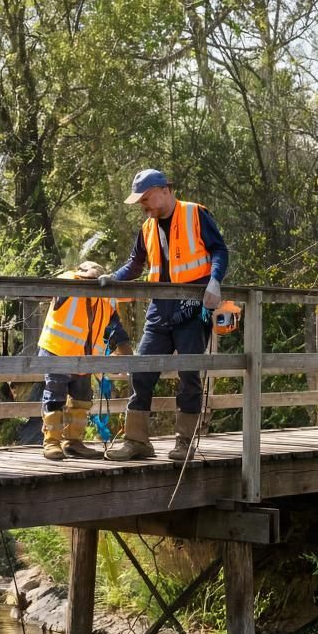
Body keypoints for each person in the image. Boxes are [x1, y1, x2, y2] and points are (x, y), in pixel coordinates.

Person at [99, 169, 228, 462]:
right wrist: (113, 279)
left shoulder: (196, 214)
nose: (143, 206)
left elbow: (219, 251)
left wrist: (215, 281)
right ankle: (137, 441)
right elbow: (135, 264)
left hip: (194, 308)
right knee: (142, 371)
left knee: (189, 375)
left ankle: (184, 442)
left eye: (145, 198)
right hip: (160, 309)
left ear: (164, 190)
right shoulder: (147, 227)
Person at [37, 261, 133, 460]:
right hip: (58, 351)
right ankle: (52, 443)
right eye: (86, 279)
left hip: (84, 358)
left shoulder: (106, 299)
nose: (90, 283)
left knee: (82, 399)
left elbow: (116, 329)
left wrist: (126, 354)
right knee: (55, 396)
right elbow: (44, 290)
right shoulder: (68, 285)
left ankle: (73, 442)